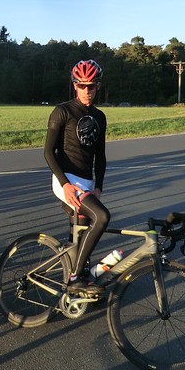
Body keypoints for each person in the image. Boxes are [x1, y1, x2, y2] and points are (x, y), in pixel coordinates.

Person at [43, 59, 110, 296]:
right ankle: (75, 279)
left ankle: (78, 288)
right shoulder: (63, 111)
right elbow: (48, 152)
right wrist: (65, 185)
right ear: (75, 86)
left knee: (81, 234)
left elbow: (100, 156)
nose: (87, 90)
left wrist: (98, 187)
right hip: (66, 179)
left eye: (91, 86)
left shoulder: (100, 116)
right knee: (102, 217)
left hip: (87, 181)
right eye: (82, 86)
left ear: (97, 86)